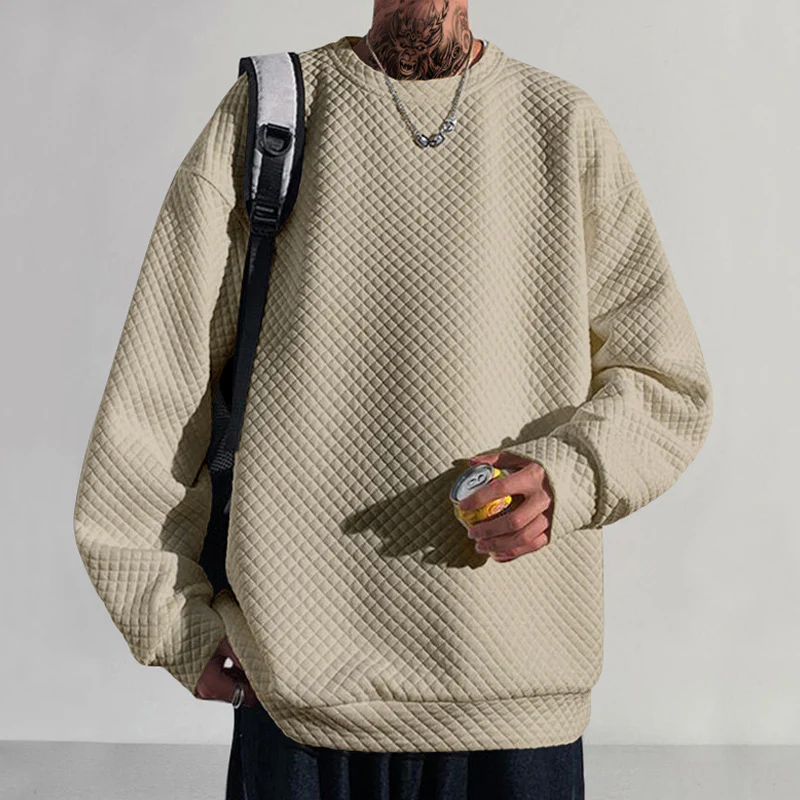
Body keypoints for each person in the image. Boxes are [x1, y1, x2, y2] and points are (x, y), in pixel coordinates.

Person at [72, 1, 714, 798]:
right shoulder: (273, 115)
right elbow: (159, 384)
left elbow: (668, 383)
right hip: (300, 699)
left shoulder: (563, 125)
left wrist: (566, 478)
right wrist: (168, 619)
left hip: (517, 699)